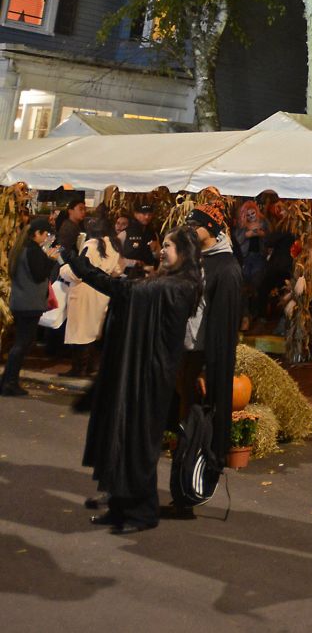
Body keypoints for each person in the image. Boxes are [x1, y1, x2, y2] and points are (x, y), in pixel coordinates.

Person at [68, 226, 205, 533]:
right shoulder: (165, 281)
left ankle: (142, 513)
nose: (162, 250)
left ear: (185, 251)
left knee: (139, 443)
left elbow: (125, 291)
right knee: (122, 435)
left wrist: (83, 268)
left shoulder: (179, 286)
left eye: (169, 245)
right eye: (164, 244)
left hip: (152, 376)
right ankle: (118, 508)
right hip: (137, 369)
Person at [183, 189, 245, 474]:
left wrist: (209, 367)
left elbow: (224, 325)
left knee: (202, 414)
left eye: (195, 226)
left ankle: (205, 461)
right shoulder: (198, 259)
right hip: (188, 349)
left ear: (210, 229)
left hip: (205, 354)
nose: (190, 230)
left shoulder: (226, 268)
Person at [2, 216, 60, 397]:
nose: (46, 238)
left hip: (21, 302)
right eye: (45, 234)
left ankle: (7, 380)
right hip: (29, 303)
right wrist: (50, 260)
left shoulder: (21, 249)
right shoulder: (33, 250)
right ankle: (10, 382)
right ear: (37, 233)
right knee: (23, 343)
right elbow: (38, 274)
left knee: (22, 342)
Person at [64, 214, 122, 376]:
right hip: (103, 290)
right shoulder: (115, 245)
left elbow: (80, 270)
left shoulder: (91, 244)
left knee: (81, 331)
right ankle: (92, 365)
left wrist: (64, 269)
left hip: (85, 290)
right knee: (95, 330)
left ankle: (79, 368)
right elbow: (118, 270)